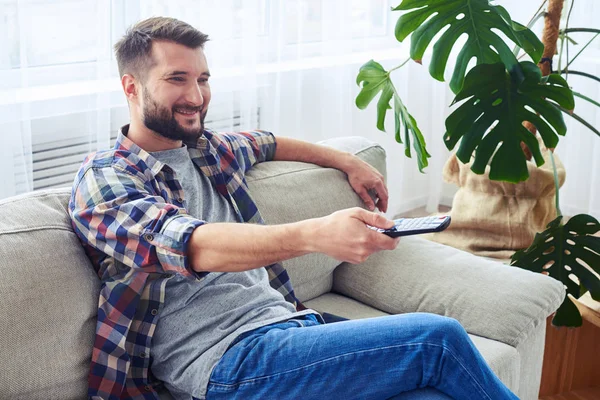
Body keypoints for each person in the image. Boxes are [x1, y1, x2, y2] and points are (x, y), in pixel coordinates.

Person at [69, 17, 518, 400]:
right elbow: (189, 244)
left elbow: (267, 142)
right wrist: (314, 234)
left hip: (288, 327)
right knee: (437, 340)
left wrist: (347, 160)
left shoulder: (205, 149)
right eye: (176, 79)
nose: (197, 96)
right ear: (131, 86)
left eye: (203, 79)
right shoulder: (106, 183)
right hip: (222, 362)